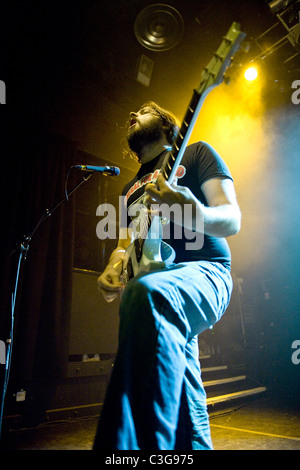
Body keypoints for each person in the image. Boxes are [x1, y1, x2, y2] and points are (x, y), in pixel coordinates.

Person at [93, 101, 241, 450]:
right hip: (158, 282)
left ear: (166, 124)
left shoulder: (194, 154)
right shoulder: (127, 189)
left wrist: (193, 211)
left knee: (148, 295)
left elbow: (232, 219)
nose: (132, 114)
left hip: (206, 271)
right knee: (188, 398)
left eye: (143, 110)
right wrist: (112, 272)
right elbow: (124, 244)